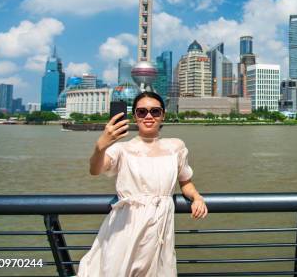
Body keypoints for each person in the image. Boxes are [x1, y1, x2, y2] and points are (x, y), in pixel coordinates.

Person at [77, 91, 207, 277]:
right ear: (134, 116)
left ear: (163, 115)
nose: (148, 116)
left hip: (161, 228)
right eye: (142, 112)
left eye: (155, 111)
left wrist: (197, 198)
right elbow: (95, 170)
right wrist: (101, 146)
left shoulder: (176, 146)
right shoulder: (122, 148)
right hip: (126, 227)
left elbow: (185, 182)